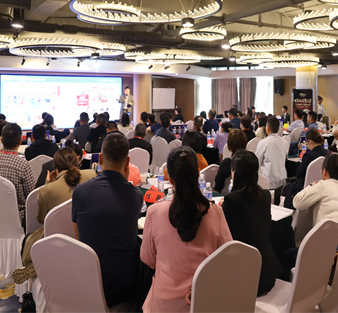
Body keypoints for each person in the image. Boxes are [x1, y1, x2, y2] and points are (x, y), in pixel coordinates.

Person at [141, 146, 232, 313]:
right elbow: (227, 258)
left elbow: (148, 259)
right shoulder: (215, 212)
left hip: (164, 304)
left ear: (170, 178)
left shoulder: (154, 212)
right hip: (204, 299)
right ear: (197, 174)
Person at [72, 133, 143, 308]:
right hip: (125, 286)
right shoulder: (135, 195)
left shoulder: (80, 191)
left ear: (101, 158)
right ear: (127, 162)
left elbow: (77, 236)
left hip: (89, 281)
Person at [14, 147, 97, 282]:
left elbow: (42, 219)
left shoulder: (47, 190)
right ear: (78, 161)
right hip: (85, 232)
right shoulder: (92, 175)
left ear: (55, 168)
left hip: (57, 237)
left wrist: (47, 184)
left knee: (29, 239)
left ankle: (38, 268)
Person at [222, 150, 281, 295]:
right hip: (267, 272)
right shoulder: (265, 195)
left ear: (235, 173)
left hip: (245, 278)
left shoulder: (231, 201)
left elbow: (225, 238)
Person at [0, 123, 36, 226]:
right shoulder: (23, 165)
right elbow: (31, 196)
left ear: (1, 141)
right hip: (18, 219)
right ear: (20, 141)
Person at [293, 154, 338, 232]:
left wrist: (311, 185)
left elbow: (297, 202)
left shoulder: (324, 185)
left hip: (330, 237)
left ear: (324, 172)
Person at [282, 128, 329, 209]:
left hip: (305, 188)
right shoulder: (328, 153)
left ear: (310, 142)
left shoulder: (309, 156)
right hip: (322, 187)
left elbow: (299, 174)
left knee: (281, 190)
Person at [256, 116, 288, 189]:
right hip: (282, 180)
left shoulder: (263, 143)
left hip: (267, 181)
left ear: (267, 128)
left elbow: (257, 161)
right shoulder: (285, 142)